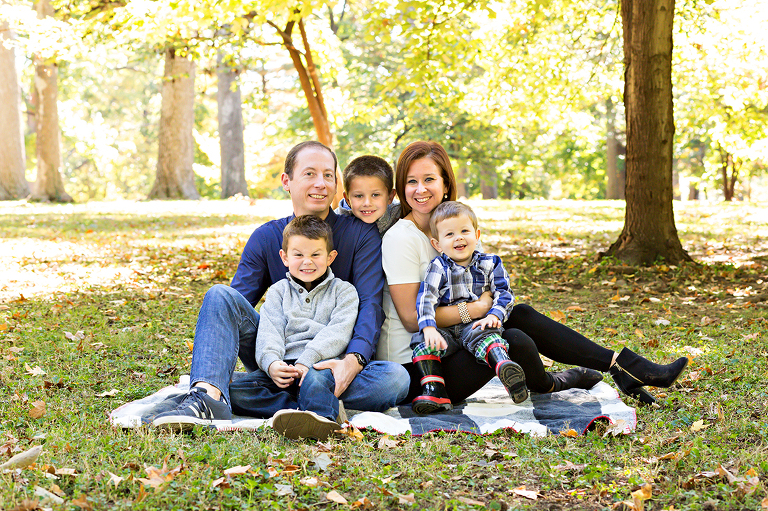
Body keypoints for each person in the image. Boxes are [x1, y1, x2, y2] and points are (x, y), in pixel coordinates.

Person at [377, 140, 688, 406]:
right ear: (401, 188)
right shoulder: (401, 238)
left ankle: (619, 368)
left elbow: (495, 289)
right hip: (422, 371)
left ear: (445, 184)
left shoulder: (457, 228)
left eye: (429, 179)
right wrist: (478, 308)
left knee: (517, 327)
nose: (420, 190)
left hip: (462, 341)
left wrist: (492, 307)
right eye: (411, 181)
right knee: (513, 336)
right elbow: (412, 319)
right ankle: (576, 377)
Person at [152, 141, 409, 434]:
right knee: (220, 296)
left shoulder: (361, 235)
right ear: (287, 181)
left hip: (332, 363)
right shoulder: (265, 238)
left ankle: (288, 399)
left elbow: (370, 305)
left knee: (395, 378)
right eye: (309, 174)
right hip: (277, 359)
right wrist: (272, 362)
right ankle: (209, 396)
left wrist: (353, 361)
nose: (320, 184)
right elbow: (237, 310)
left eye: (328, 175)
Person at [410, 201, 580, 414]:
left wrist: (494, 315)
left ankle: (504, 367)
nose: (459, 237)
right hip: (446, 332)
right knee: (422, 342)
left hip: (474, 325)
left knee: (488, 334)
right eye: (450, 234)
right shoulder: (437, 267)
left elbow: (504, 293)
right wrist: (428, 328)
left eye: (464, 231)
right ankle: (434, 390)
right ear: (437, 244)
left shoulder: (491, 263)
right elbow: (426, 298)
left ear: (477, 234)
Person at [228, 215, 359, 440]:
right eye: (298, 255)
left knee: (392, 378)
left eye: (315, 255)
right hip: (286, 372)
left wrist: (308, 360)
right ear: (285, 257)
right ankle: (304, 411)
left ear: (330, 257)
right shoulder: (279, 291)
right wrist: (272, 364)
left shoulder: (344, 291)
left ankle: (322, 419)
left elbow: (338, 331)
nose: (307, 261)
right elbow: (270, 330)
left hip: (322, 366)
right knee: (235, 393)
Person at [335, 155, 402, 236]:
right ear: (347, 199)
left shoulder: (401, 214)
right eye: (359, 196)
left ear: (390, 197)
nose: (367, 203)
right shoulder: (335, 224)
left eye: (375, 195)